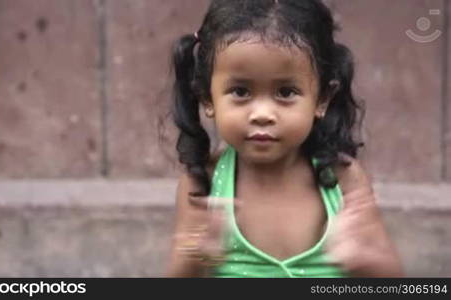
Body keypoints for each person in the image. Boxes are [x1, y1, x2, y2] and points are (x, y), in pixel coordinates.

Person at [166, 0, 402, 278]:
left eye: (286, 92)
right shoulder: (202, 183)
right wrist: (193, 254)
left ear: (322, 99)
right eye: (241, 91)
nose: (263, 114)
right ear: (207, 98)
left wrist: (365, 258)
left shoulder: (342, 179)